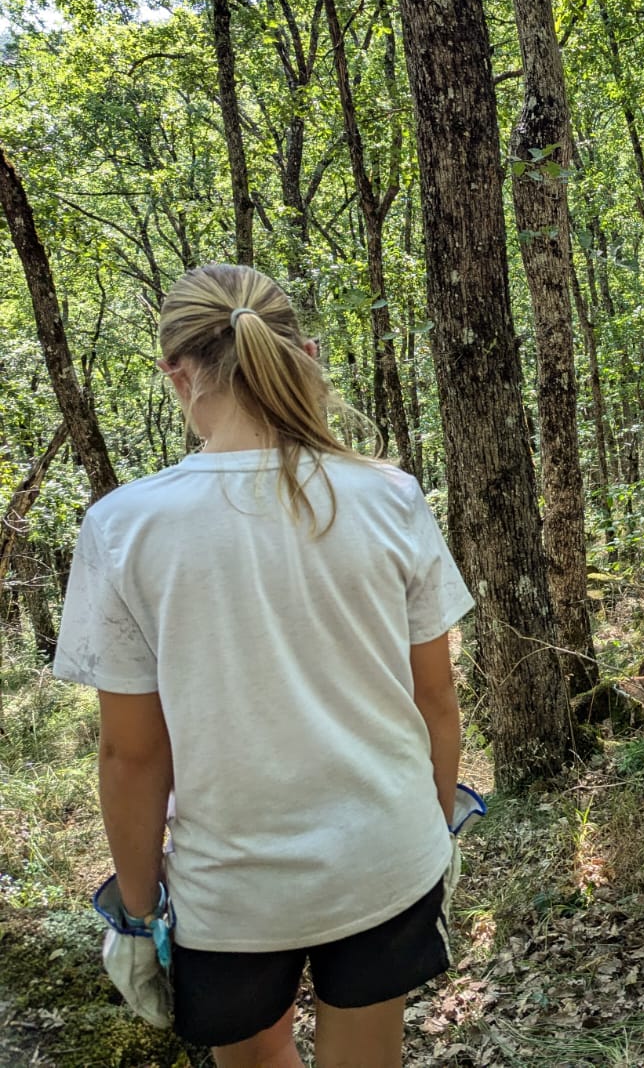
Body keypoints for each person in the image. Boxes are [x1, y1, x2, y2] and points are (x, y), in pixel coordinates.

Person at [55, 265, 473, 1067]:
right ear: (305, 353)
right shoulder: (391, 497)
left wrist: (139, 919)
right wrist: (438, 832)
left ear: (174, 373)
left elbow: (133, 754)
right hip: (385, 860)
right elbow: (435, 697)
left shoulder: (124, 528)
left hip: (231, 893)